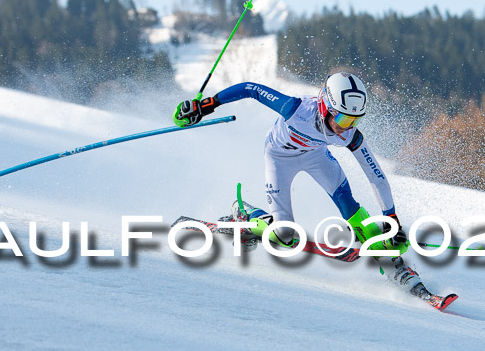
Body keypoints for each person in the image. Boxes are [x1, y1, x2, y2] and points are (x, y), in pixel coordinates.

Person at [175, 73, 427, 291]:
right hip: (279, 158)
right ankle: (246, 215)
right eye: (343, 120)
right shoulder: (296, 110)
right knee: (283, 235)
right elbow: (250, 89)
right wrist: (207, 105)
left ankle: (390, 261)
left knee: (349, 205)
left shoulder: (350, 135)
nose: (346, 128)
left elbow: (376, 175)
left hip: (315, 157)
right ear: (326, 106)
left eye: (354, 120)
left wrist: (391, 219)